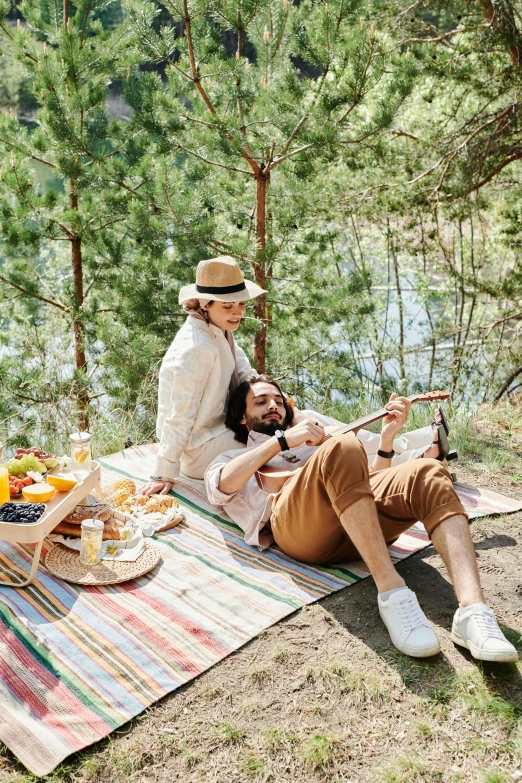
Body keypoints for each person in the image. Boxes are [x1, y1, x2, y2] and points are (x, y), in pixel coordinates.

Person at [204, 376, 518, 662]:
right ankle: (393, 594)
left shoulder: (320, 443)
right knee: (342, 444)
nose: (273, 404)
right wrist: (284, 441)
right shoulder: (232, 459)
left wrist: (386, 440)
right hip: (301, 534)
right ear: (243, 418)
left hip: (360, 531)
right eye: (260, 401)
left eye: (278, 400)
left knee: (429, 472)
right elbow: (221, 486)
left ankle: (472, 611)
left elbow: (369, 489)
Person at [141, 256, 265, 495]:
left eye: (241, 304)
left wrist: (275, 399)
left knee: (291, 418)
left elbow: (245, 373)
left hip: (220, 428)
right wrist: (164, 471)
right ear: (205, 304)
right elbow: (180, 414)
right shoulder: (197, 347)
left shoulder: (218, 327)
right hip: (198, 449)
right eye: (228, 306)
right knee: (278, 438)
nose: (237, 312)